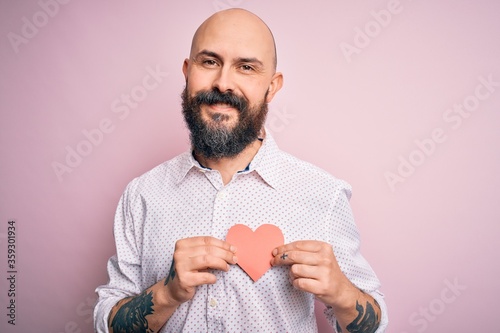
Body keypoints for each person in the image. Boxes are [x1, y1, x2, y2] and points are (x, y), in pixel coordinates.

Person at [94, 8, 388, 333]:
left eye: (246, 67)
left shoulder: (323, 194)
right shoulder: (142, 195)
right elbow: (108, 324)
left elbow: (373, 326)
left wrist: (342, 293)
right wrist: (167, 292)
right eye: (209, 62)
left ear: (272, 87)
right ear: (187, 71)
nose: (223, 83)